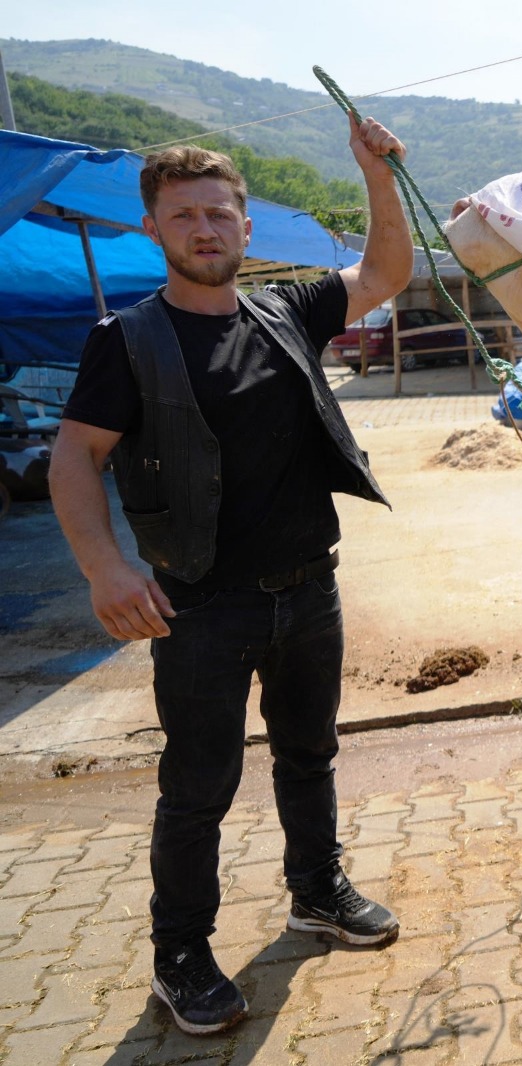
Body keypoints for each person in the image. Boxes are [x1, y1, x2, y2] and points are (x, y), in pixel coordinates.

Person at [48, 111, 416, 1037]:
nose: (205, 229)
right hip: (200, 606)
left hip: (310, 587)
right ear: (155, 231)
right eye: (183, 216)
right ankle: (181, 954)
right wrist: (104, 568)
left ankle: (316, 893)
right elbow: (73, 458)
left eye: (219, 213)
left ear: (246, 229)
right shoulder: (125, 342)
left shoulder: (286, 307)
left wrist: (372, 171)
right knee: (199, 786)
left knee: (310, 754)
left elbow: (384, 275)